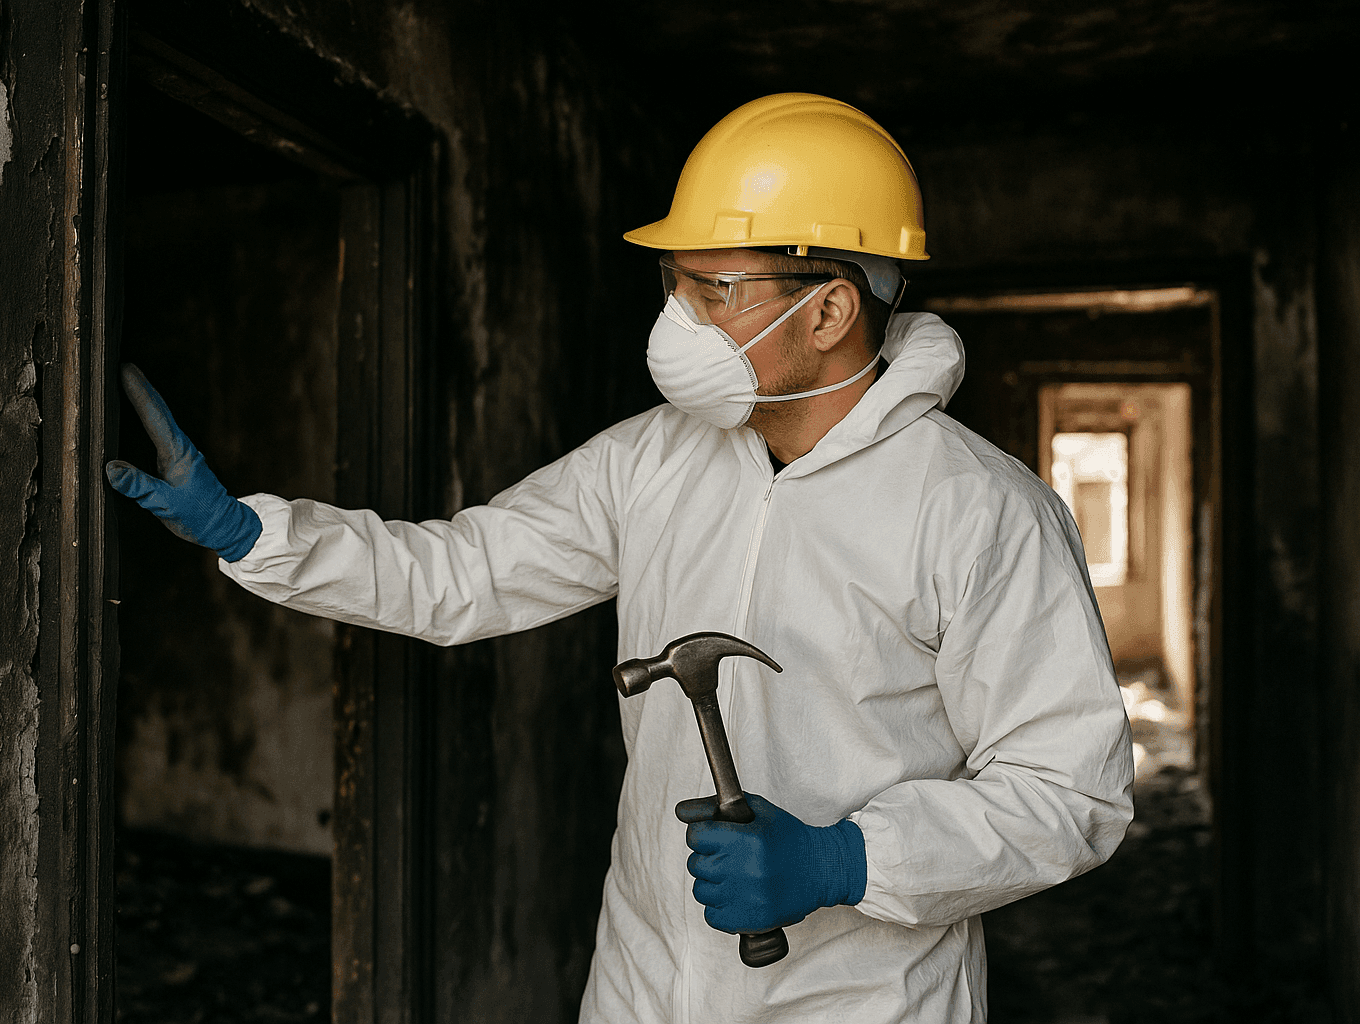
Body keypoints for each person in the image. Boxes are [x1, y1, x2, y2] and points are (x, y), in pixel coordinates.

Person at [108, 92, 1134, 1023]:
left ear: (827, 310)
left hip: (857, 1000)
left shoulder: (979, 510)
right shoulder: (656, 457)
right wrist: (255, 535)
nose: (677, 318)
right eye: (673, 284)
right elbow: (466, 572)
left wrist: (848, 857)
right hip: (644, 982)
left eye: (713, 288)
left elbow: (1072, 792)